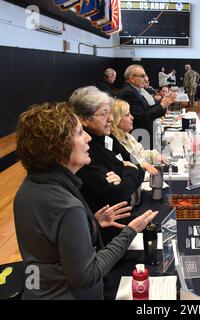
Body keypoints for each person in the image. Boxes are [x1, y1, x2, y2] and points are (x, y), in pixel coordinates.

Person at [14, 102, 158, 299]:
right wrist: (129, 232)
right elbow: (86, 275)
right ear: (59, 146)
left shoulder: (28, 187)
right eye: (80, 133)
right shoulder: (67, 205)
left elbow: (51, 245)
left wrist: (92, 224)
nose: (88, 138)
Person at [69, 86, 145, 244]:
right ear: (84, 120)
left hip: (124, 222)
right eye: (104, 114)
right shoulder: (82, 152)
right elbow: (117, 194)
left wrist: (126, 171)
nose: (111, 119)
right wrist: (127, 169)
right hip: (104, 237)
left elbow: (138, 166)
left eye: (110, 112)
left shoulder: (108, 136)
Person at [119, 65, 176, 149]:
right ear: (131, 78)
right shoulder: (129, 93)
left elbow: (147, 109)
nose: (145, 79)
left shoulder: (136, 91)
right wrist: (162, 105)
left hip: (143, 133)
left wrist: (162, 104)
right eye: (142, 76)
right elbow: (141, 117)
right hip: (139, 134)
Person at [111, 99, 169, 175]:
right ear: (117, 119)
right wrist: (142, 164)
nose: (132, 117)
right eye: (127, 114)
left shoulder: (127, 136)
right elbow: (124, 164)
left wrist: (155, 155)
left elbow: (140, 154)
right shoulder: (114, 143)